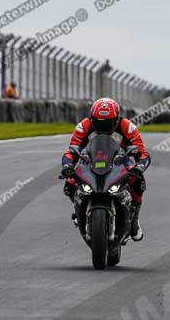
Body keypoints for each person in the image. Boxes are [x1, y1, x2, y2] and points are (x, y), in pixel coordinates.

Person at [60, 97, 150, 241]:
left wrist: (139, 166)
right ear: (92, 119)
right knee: (69, 182)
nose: (103, 127)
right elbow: (71, 151)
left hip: (121, 157)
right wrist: (67, 165)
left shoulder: (127, 126)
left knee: (138, 182)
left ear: (116, 119)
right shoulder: (83, 126)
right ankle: (78, 210)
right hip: (90, 157)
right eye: (98, 123)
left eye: (108, 123)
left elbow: (142, 153)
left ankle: (134, 219)